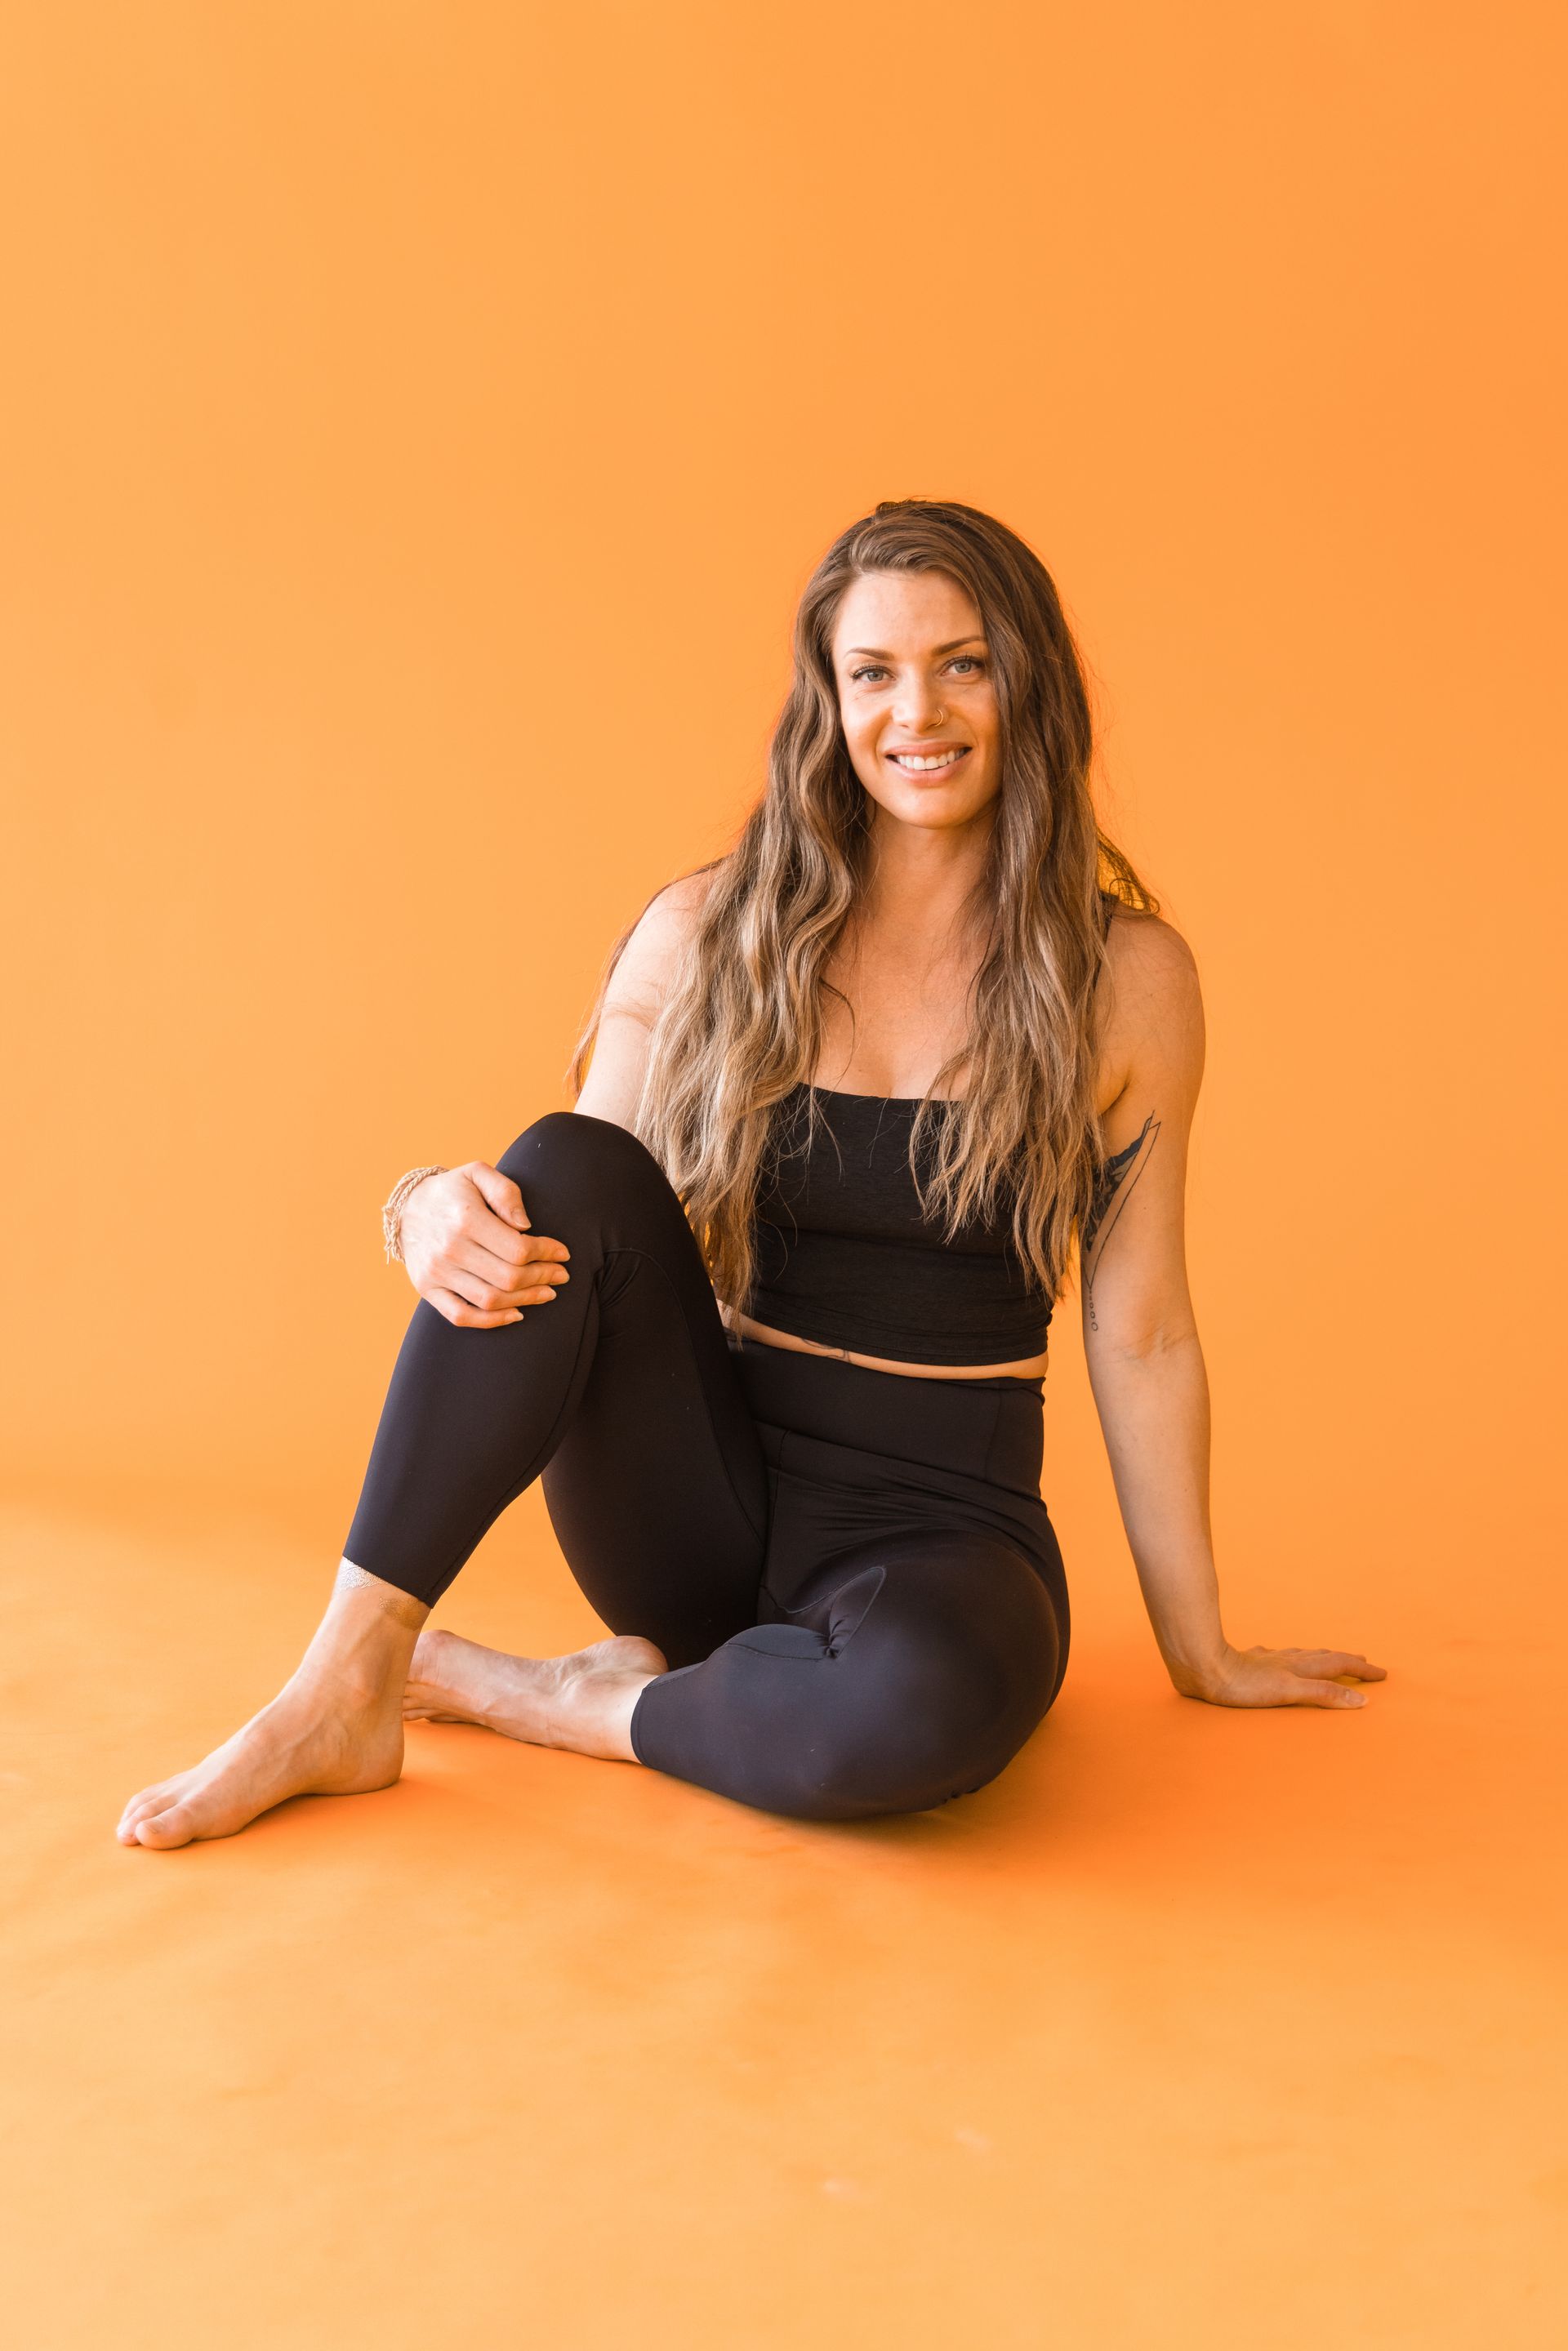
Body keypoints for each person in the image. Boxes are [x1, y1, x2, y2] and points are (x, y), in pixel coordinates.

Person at [116, 498, 1384, 1850]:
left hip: (941, 1534)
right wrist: (426, 1204)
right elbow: (577, 1212)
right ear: (827, 703)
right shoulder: (706, 932)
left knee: (911, 1726)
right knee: (558, 1164)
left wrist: (1205, 1650)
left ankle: (563, 1704)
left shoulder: (1127, 983)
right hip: (692, 1504)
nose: (920, 711)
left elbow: (1144, 1333)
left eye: (964, 662)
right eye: (874, 673)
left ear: (1030, 685)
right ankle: (340, 1686)